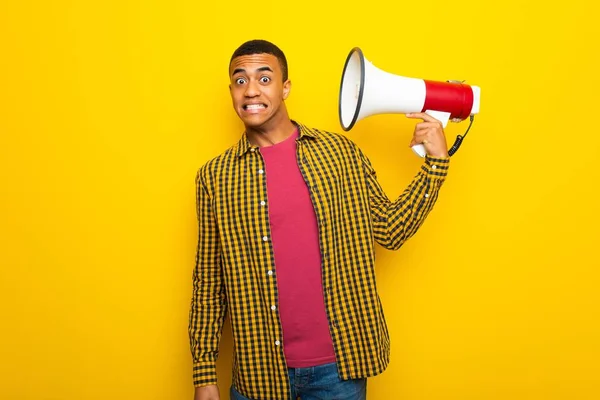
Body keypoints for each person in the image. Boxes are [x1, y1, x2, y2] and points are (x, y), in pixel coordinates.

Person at [189, 39, 450, 400]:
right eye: (240, 80)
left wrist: (435, 165)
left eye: (264, 79)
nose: (251, 90)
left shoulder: (338, 154)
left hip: (338, 371)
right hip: (258, 373)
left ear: (285, 87)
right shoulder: (215, 177)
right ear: (231, 90)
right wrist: (204, 376)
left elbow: (390, 230)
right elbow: (209, 282)